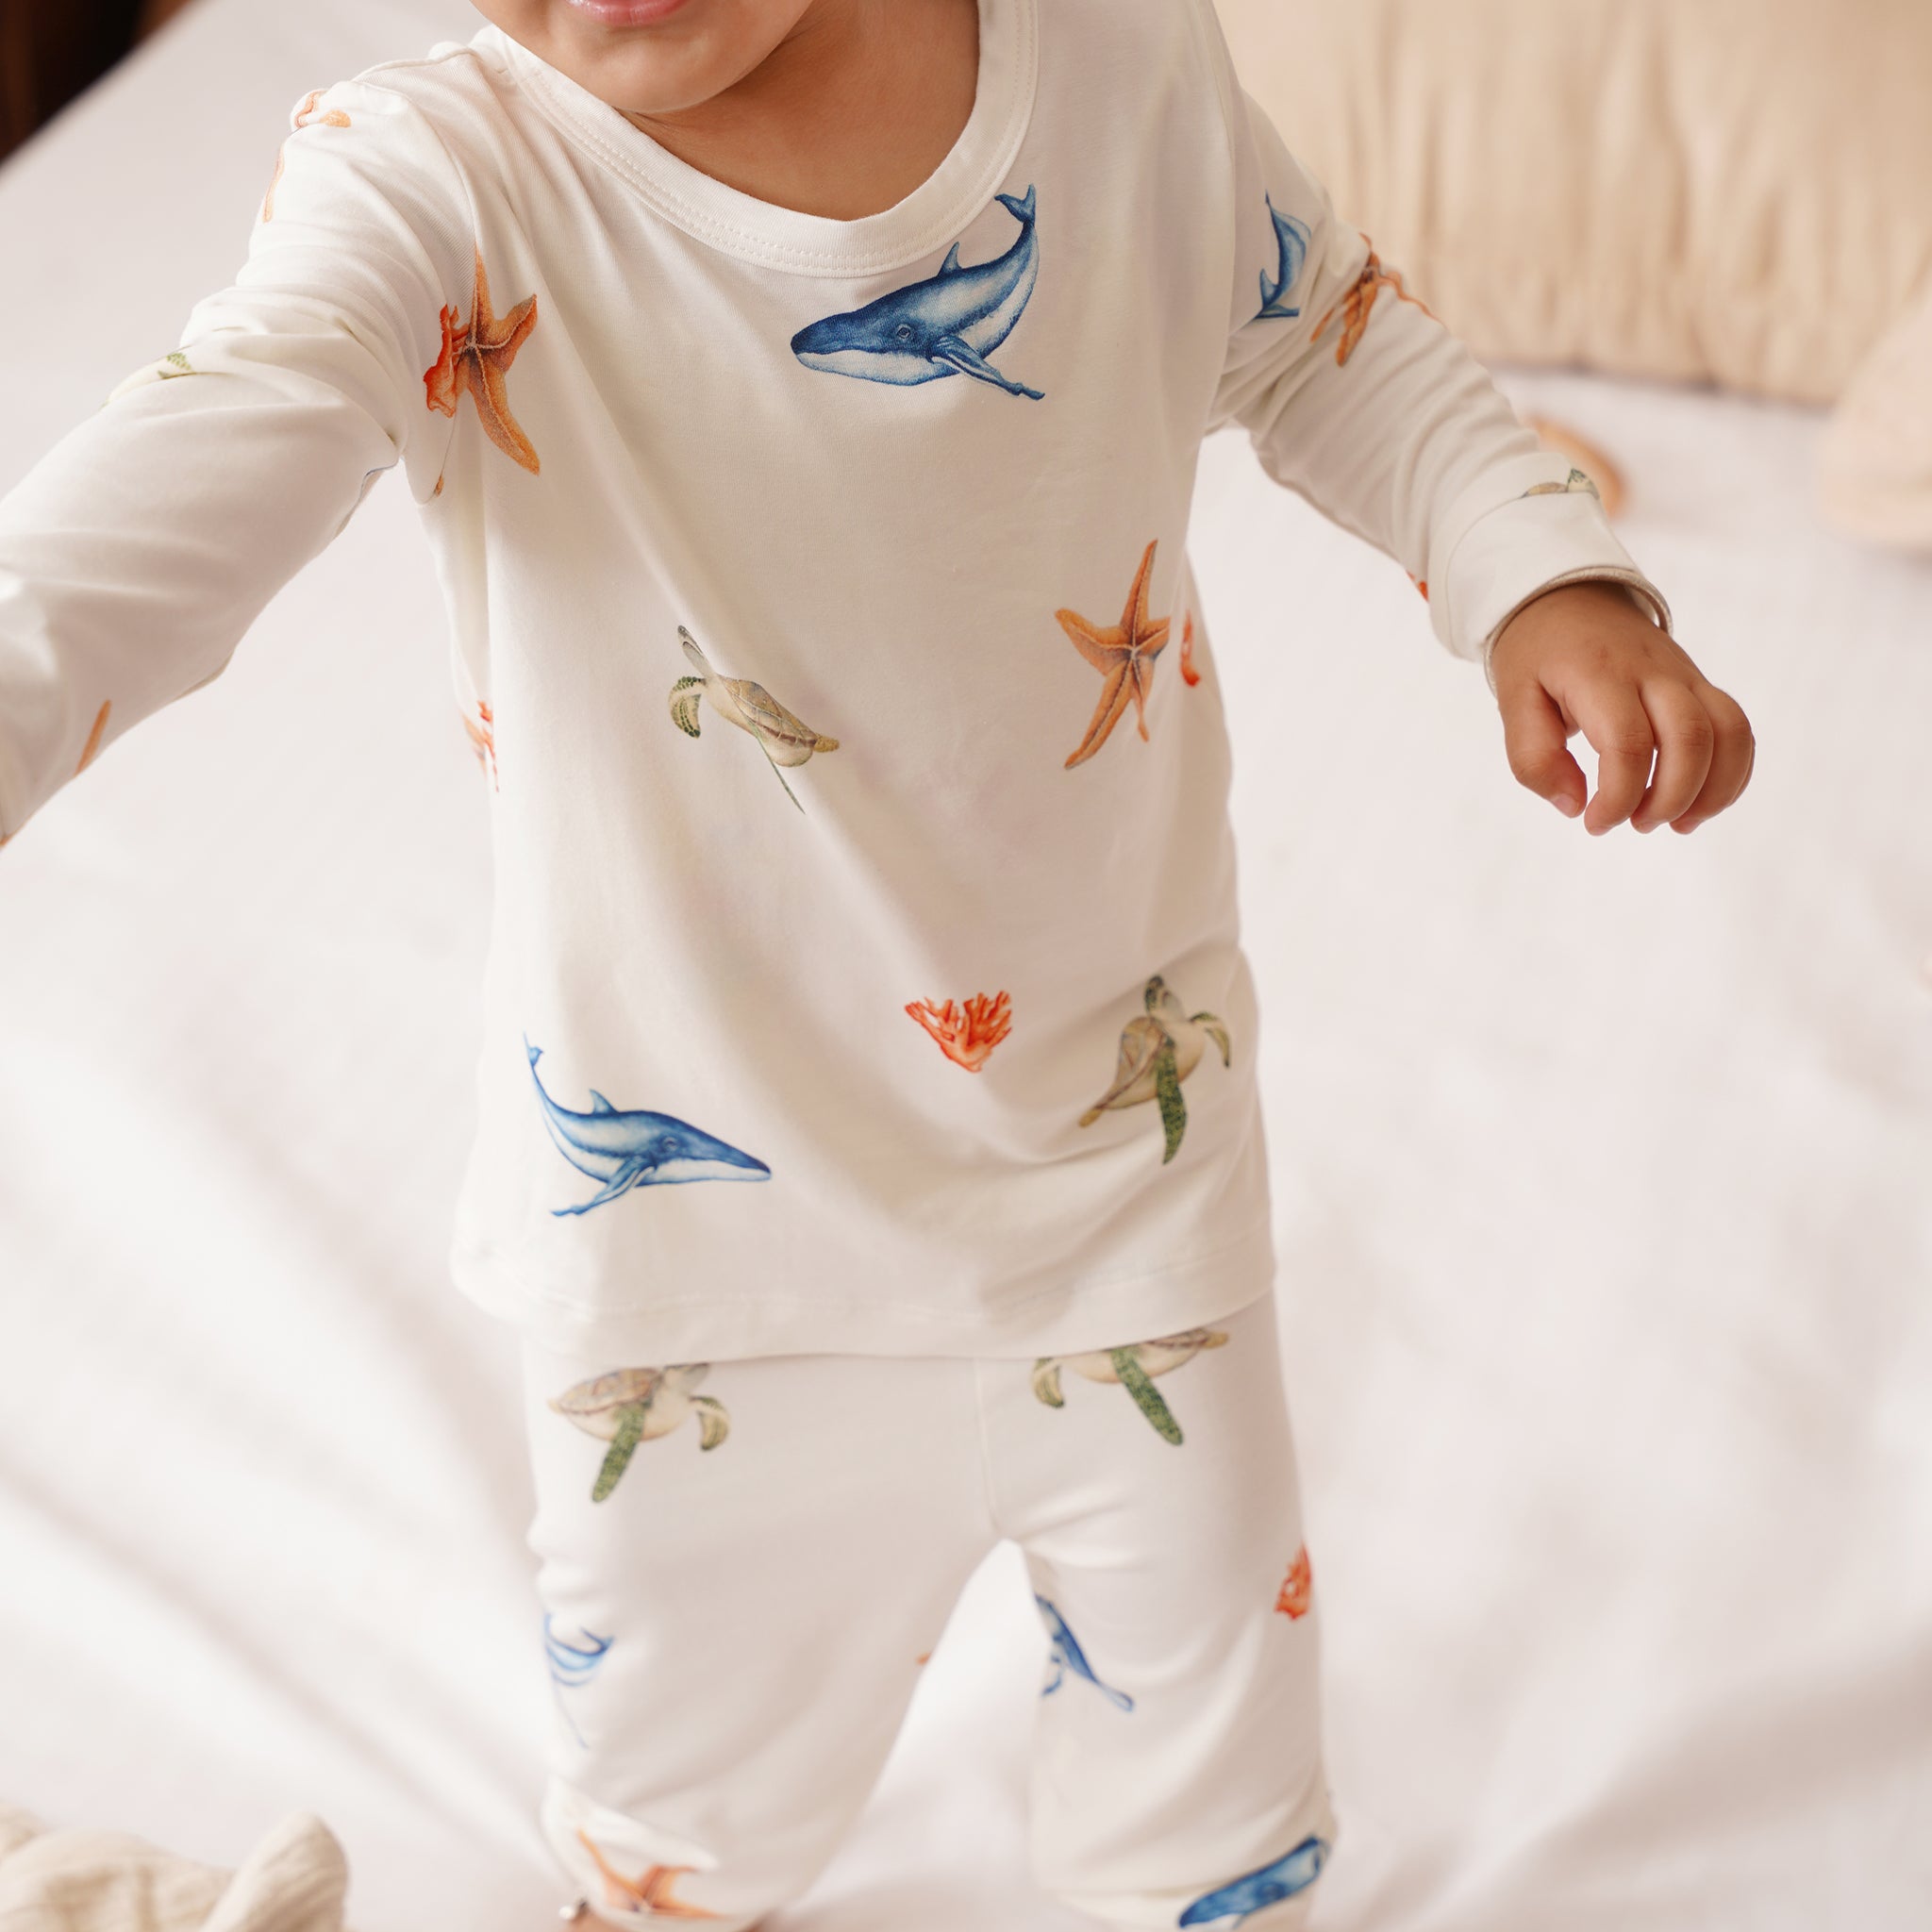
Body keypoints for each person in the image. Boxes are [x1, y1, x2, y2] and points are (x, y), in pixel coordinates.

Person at [0, 0, 1754, 1925]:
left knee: (1216, 1840)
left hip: (1123, 1201)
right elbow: (202, 448)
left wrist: (1537, 568)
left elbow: (1333, 332)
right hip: (694, 1295)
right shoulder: (439, 183)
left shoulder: (1124, 71)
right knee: (673, 1849)